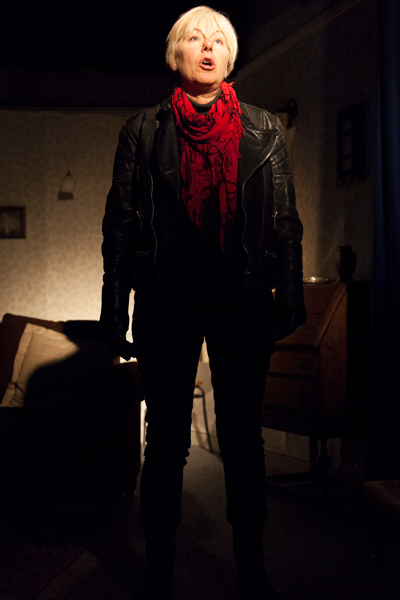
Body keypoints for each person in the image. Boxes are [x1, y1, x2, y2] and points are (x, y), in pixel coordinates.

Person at [100, 6, 306, 599]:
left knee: (242, 435)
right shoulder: (142, 129)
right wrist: (115, 303)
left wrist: (290, 290)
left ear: (230, 57)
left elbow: (285, 220)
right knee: (165, 435)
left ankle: (251, 569)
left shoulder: (264, 128)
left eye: (219, 40)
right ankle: (158, 568)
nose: (208, 48)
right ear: (177, 55)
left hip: (242, 297)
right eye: (196, 38)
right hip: (166, 298)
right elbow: (120, 224)